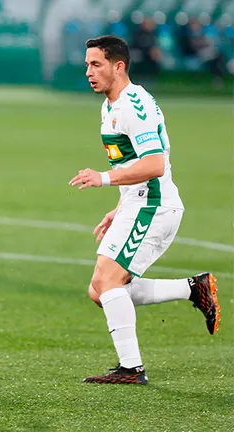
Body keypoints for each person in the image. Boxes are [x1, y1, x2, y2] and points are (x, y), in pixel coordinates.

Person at [70, 35, 220, 385]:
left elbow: (154, 165)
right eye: (87, 64)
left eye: (96, 64)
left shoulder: (132, 105)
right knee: (100, 291)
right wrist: (119, 206)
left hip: (154, 206)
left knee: (107, 281)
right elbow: (131, 163)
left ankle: (131, 369)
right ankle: (193, 288)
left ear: (118, 66)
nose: (88, 72)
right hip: (137, 203)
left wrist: (103, 178)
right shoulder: (110, 105)